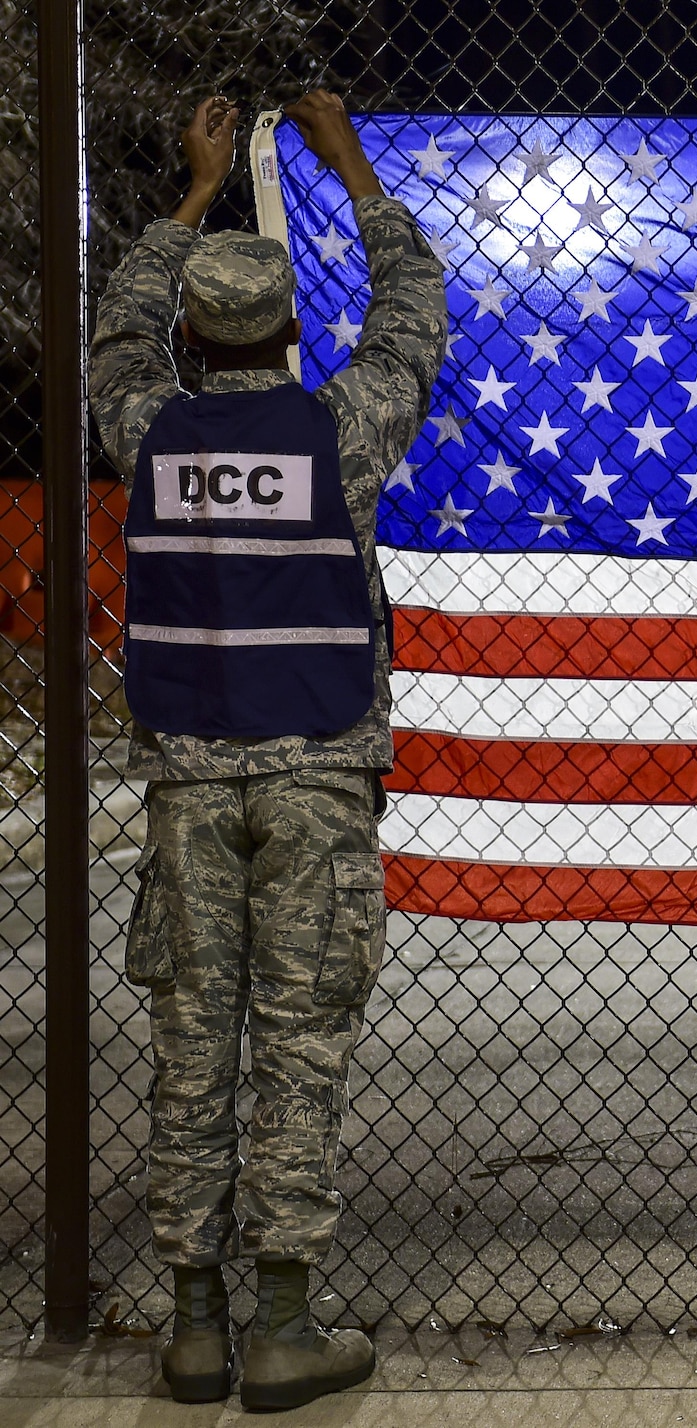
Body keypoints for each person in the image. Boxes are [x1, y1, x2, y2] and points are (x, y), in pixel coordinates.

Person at [88, 90, 445, 1410]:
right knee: (299, 1041)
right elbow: (413, 311)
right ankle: (286, 1322)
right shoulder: (338, 433)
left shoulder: (146, 429)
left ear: (191, 336)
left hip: (190, 780)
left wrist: (190, 198)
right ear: (292, 328)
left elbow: (114, 333)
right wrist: (345, 161)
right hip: (315, 777)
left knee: (195, 1044)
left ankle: (193, 1324)